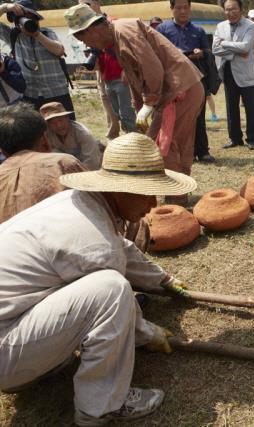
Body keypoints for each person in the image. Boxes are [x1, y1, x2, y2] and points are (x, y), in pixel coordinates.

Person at [0, 132, 196, 425]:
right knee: (111, 289)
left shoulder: (77, 203)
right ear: (119, 190)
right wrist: (150, 333)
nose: (153, 204)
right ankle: (102, 406)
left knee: (104, 287)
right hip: (5, 349)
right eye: (146, 193)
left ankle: (29, 370)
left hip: (8, 328)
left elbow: (120, 247)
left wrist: (163, 279)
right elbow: (112, 291)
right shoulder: (94, 241)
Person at [65, 4, 204, 204]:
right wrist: (140, 105)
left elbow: (152, 68)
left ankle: (177, 197)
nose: (83, 42)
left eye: (81, 37)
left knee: (165, 144)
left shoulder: (124, 31)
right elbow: (134, 75)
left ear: (92, 29)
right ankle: (178, 191)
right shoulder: (117, 37)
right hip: (176, 90)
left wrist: (148, 103)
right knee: (169, 142)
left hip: (179, 90)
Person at [0, 102, 85, 223]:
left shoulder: (79, 134)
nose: (59, 125)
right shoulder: (64, 163)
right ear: (45, 140)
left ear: (3, 151)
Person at [156, 0, 215, 163]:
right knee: (176, 117)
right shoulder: (162, 29)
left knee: (198, 114)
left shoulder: (199, 30)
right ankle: (178, 153)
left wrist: (201, 52)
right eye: (178, 7)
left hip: (196, 78)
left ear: (190, 9)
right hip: (174, 79)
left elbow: (207, 52)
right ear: (172, 9)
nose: (182, 11)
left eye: (185, 7)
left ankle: (202, 151)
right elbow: (158, 52)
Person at [0, 0, 74, 116]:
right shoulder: (14, 36)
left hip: (56, 92)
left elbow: (59, 50)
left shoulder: (47, 32)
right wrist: (5, 7)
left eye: (32, 17)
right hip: (30, 94)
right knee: (34, 132)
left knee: (65, 128)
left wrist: (36, 34)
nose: (29, 21)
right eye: (24, 18)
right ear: (16, 23)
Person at [79, 0, 137, 135]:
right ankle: (121, 141)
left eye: (88, 4)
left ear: (97, 4)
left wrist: (126, 69)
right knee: (114, 114)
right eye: (81, 5)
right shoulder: (85, 29)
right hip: (105, 77)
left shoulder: (112, 22)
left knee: (127, 113)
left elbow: (127, 48)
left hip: (121, 75)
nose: (85, 8)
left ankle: (135, 143)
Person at [213, 0, 254, 150]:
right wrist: (237, 52)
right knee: (231, 107)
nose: (230, 12)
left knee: (251, 107)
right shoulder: (220, 26)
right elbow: (215, 49)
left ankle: (252, 139)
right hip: (227, 71)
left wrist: (225, 43)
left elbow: (246, 46)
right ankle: (234, 138)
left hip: (246, 73)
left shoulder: (250, 25)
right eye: (227, 10)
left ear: (241, 9)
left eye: (233, 9)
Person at [40, 101, 102, 170]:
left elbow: (92, 162)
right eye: (53, 123)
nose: (59, 126)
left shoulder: (83, 134)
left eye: (60, 120)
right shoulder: (47, 134)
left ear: (67, 118)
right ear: (48, 125)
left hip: (88, 169)